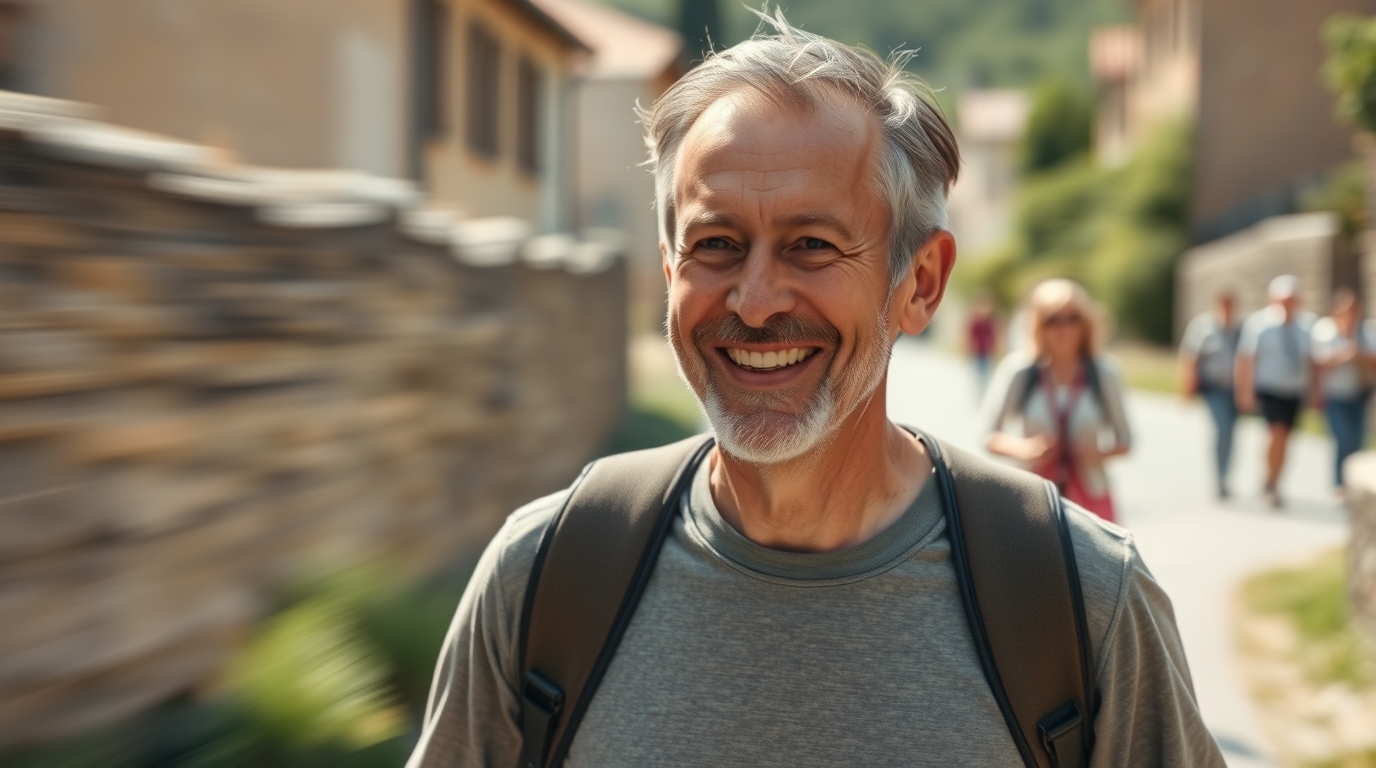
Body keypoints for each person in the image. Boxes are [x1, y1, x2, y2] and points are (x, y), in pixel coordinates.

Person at [406, 13, 1222, 768]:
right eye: (716, 245)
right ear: (668, 272)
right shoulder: (542, 578)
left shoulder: (1081, 603)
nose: (755, 300)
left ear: (921, 282)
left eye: (812, 245)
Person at [983, 280, 1132, 522]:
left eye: (1072, 318)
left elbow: (1126, 439)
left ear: (1086, 324)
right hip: (1033, 500)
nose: (1063, 328)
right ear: (1037, 325)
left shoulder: (1104, 373)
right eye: (1052, 319)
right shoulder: (1019, 371)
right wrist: (1025, 448)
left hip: (1091, 498)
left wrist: (1098, 454)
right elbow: (987, 435)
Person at [1235, 275, 1315, 508]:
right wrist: (1245, 390)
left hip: (1295, 389)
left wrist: (1314, 391)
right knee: (1276, 433)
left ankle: (1276, 480)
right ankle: (1269, 481)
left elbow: (1312, 361)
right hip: (1270, 388)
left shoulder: (1306, 325)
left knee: (1287, 438)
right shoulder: (1260, 324)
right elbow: (1246, 359)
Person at [1311, 287, 1376, 491]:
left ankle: (1354, 485)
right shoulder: (1325, 330)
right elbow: (1318, 361)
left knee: (1358, 440)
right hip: (1335, 395)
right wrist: (1345, 355)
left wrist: (1358, 355)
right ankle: (1340, 483)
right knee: (1344, 437)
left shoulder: (1365, 331)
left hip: (1360, 394)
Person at [1179, 290, 1241, 499]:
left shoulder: (1241, 328)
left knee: (1231, 433)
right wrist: (1187, 388)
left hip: (1235, 389)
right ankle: (1219, 479)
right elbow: (1190, 358)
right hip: (1213, 388)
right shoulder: (1203, 326)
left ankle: (1225, 476)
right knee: (1222, 429)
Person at [966, 291, 998, 393]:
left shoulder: (990, 321)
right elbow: (970, 335)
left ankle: (984, 390)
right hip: (977, 351)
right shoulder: (975, 320)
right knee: (978, 373)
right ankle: (979, 391)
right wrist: (970, 346)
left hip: (987, 351)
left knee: (986, 373)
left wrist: (994, 347)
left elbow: (994, 335)